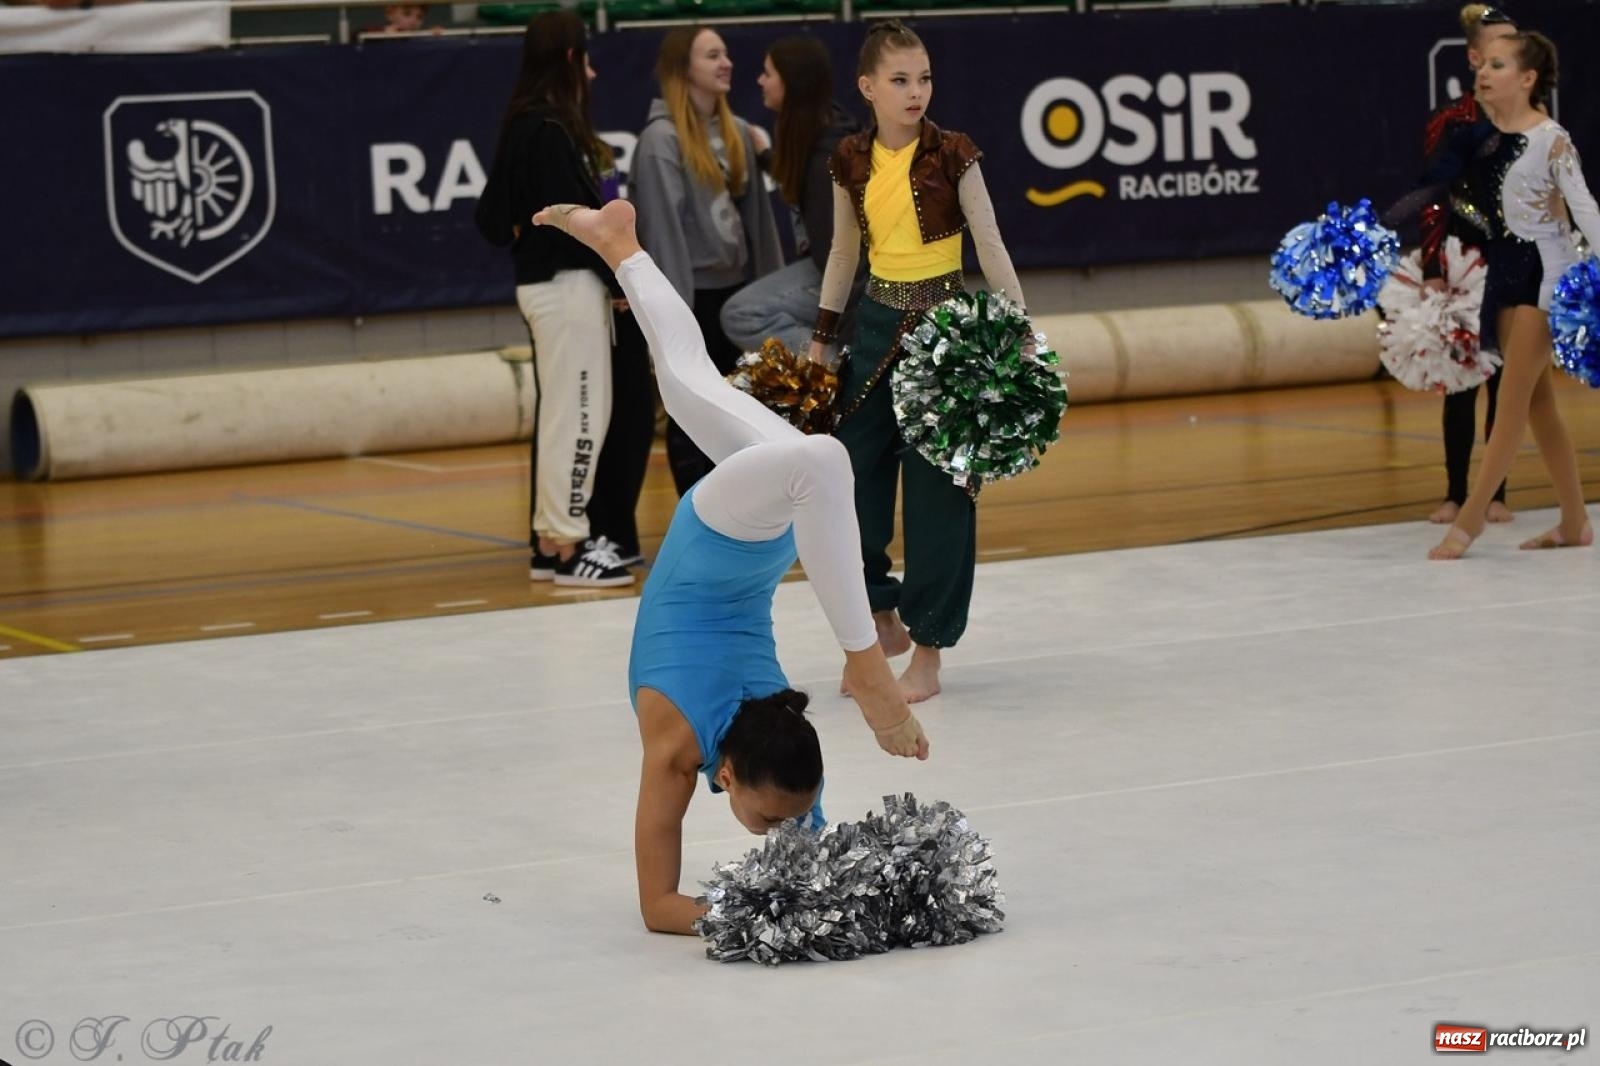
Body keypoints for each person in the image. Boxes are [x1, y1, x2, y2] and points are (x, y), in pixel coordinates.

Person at [531, 199, 929, 936]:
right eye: (784, 816)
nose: (785, 829)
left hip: (712, 540)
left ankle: (866, 663)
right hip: (761, 543)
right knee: (697, 388)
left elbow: (659, 909)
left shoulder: (675, 747)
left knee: (801, 450)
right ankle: (623, 247)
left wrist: (763, 915)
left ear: (724, 777)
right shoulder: (779, 754)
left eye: (779, 817)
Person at [807, 21, 1029, 701]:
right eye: (900, 80)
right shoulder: (849, 158)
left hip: (947, 329)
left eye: (925, 77)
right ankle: (878, 620)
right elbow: (845, 253)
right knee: (847, 476)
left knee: (940, 495)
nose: (916, 92)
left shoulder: (955, 153)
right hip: (873, 327)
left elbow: (989, 245)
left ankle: (928, 652)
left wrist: (1015, 329)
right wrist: (822, 341)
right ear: (867, 87)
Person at [476, 11, 634, 587]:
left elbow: (491, 219)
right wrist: (620, 281)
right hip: (565, 292)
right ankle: (568, 547)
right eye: (586, 59)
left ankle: (552, 541)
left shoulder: (523, 123)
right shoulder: (548, 131)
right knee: (582, 415)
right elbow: (581, 224)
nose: (592, 73)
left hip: (546, 290)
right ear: (569, 59)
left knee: (567, 413)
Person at [1429, 31, 1599, 559]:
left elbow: (1586, 208)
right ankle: (1574, 522)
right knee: (1538, 405)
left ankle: (1471, 520)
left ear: (1527, 79)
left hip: (1546, 273)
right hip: (1504, 272)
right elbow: (1435, 195)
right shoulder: (1481, 140)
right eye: (1484, 64)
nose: (1484, 72)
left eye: (1498, 65)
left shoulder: (1552, 138)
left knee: (1509, 401)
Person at [630, 26, 785, 495]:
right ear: (683, 69)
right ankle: (697, 514)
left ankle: (745, 515)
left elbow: (760, 224)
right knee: (694, 419)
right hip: (692, 298)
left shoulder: (739, 131)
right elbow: (663, 235)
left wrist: (770, 294)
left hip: (738, 296)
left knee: (743, 413)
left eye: (726, 54)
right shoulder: (661, 141)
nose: (726, 63)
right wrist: (669, 319)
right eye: (711, 55)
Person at [1420, 4, 1519, 527]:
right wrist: (1434, 266)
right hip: (1463, 266)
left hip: (1513, 265)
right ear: (1476, 58)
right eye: (1499, 47)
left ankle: (1497, 492)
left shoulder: (1533, 119)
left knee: (1508, 381)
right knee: (1459, 383)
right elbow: (1433, 196)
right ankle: (1457, 492)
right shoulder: (1451, 123)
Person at [719, 35, 864, 358]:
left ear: (792, 82)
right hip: (831, 267)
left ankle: (832, 369)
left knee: (741, 314)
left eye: (768, 73)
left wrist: (839, 338)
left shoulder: (825, 159)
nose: (760, 81)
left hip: (850, 281)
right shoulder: (822, 130)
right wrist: (767, 156)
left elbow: (845, 260)